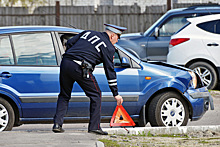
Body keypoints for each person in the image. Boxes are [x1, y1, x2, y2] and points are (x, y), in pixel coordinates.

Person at [53, 24, 126, 135]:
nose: (117, 41)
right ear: (113, 36)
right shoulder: (108, 47)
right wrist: (115, 93)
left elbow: (69, 42)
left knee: (64, 95)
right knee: (96, 94)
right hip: (81, 67)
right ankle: (94, 127)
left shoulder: (88, 32)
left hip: (66, 63)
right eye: (118, 38)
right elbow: (109, 70)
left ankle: (57, 124)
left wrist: (73, 55)